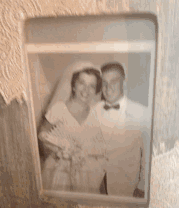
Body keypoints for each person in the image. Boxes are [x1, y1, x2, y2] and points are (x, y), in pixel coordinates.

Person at [38, 61, 107, 193]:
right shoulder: (59, 108)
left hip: (87, 175)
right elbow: (42, 134)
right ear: (74, 85)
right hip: (59, 172)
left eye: (91, 86)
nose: (86, 90)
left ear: (96, 90)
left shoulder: (97, 114)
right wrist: (58, 149)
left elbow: (101, 148)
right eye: (82, 83)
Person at [94, 61, 151, 198]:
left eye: (114, 81)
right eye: (104, 82)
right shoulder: (94, 110)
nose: (108, 87)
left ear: (124, 82)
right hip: (96, 185)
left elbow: (147, 155)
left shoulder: (141, 113)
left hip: (127, 187)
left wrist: (142, 186)